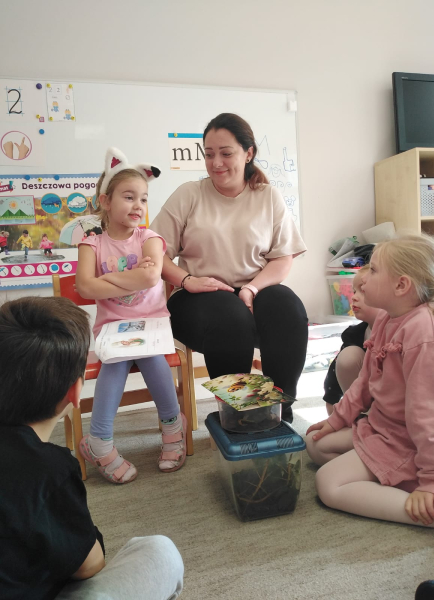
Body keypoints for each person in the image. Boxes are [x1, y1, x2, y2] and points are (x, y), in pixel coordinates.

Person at [0, 296, 184, 600]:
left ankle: (163, 425)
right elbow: (89, 565)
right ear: (75, 392)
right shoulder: (51, 469)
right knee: (160, 552)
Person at [150, 113, 308, 422]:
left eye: (226, 153)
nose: (216, 162)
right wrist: (187, 280)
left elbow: (282, 257)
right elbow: (155, 252)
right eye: (209, 154)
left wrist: (251, 289)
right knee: (230, 317)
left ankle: (279, 413)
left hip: (253, 290)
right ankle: (241, 415)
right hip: (197, 297)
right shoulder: (189, 194)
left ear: (248, 153)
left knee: (288, 309)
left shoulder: (267, 196)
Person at [306, 234, 434, 529]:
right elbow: (365, 380)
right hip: (384, 429)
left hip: (410, 442)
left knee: (328, 483)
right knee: (315, 442)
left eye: (372, 270)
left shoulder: (425, 336)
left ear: (401, 286)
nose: (363, 277)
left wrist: (432, 481)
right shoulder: (387, 318)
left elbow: (431, 417)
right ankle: (395, 478)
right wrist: (337, 419)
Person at [76, 147, 187, 483]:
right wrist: (129, 276)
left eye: (143, 199)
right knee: (116, 360)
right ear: (106, 201)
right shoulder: (91, 243)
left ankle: (173, 428)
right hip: (113, 327)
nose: (139, 205)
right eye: (129, 197)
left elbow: (151, 277)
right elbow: (84, 286)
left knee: (151, 356)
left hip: (151, 323)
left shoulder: (149, 237)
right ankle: (99, 441)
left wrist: (107, 280)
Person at [323, 265, 381, 415]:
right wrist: (332, 399)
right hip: (365, 402)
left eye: (363, 291)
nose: (354, 297)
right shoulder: (354, 335)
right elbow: (336, 371)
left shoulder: (400, 333)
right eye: (354, 291)